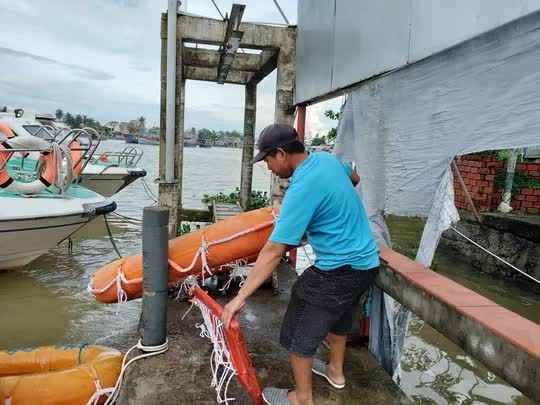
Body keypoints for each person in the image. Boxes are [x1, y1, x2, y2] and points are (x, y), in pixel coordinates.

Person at [222, 123, 379, 405]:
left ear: (281, 154)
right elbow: (353, 178)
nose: (268, 167)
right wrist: (326, 211)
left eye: (267, 160)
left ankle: (302, 398)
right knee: (340, 313)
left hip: (340, 270)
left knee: (299, 328)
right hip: (366, 264)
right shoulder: (326, 159)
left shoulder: (301, 188)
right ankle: (335, 371)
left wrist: (240, 297)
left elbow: (273, 250)